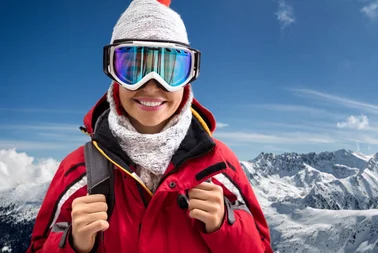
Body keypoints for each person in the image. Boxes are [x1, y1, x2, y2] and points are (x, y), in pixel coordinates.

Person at [26, 0, 273, 252]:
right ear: (113, 74)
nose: (152, 85)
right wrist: (73, 243)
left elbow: (262, 248)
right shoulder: (78, 171)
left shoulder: (219, 164)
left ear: (187, 79)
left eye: (170, 72)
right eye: (133, 70)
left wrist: (226, 225)